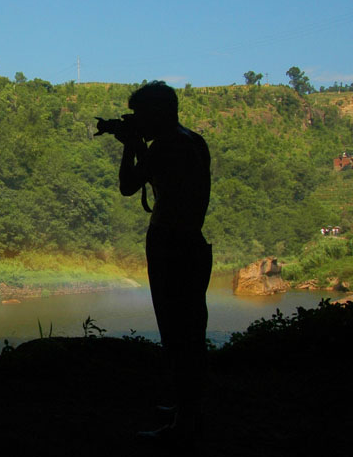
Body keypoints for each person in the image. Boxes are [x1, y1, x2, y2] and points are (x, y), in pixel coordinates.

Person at [113, 81, 212, 443]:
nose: (138, 121)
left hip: (170, 245)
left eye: (140, 115)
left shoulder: (166, 146)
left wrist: (128, 147)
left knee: (176, 334)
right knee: (191, 331)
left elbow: (128, 185)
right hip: (193, 244)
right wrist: (140, 146)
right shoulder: (192, 141)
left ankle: (184, 424)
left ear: (157, 112)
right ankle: (189, 408)